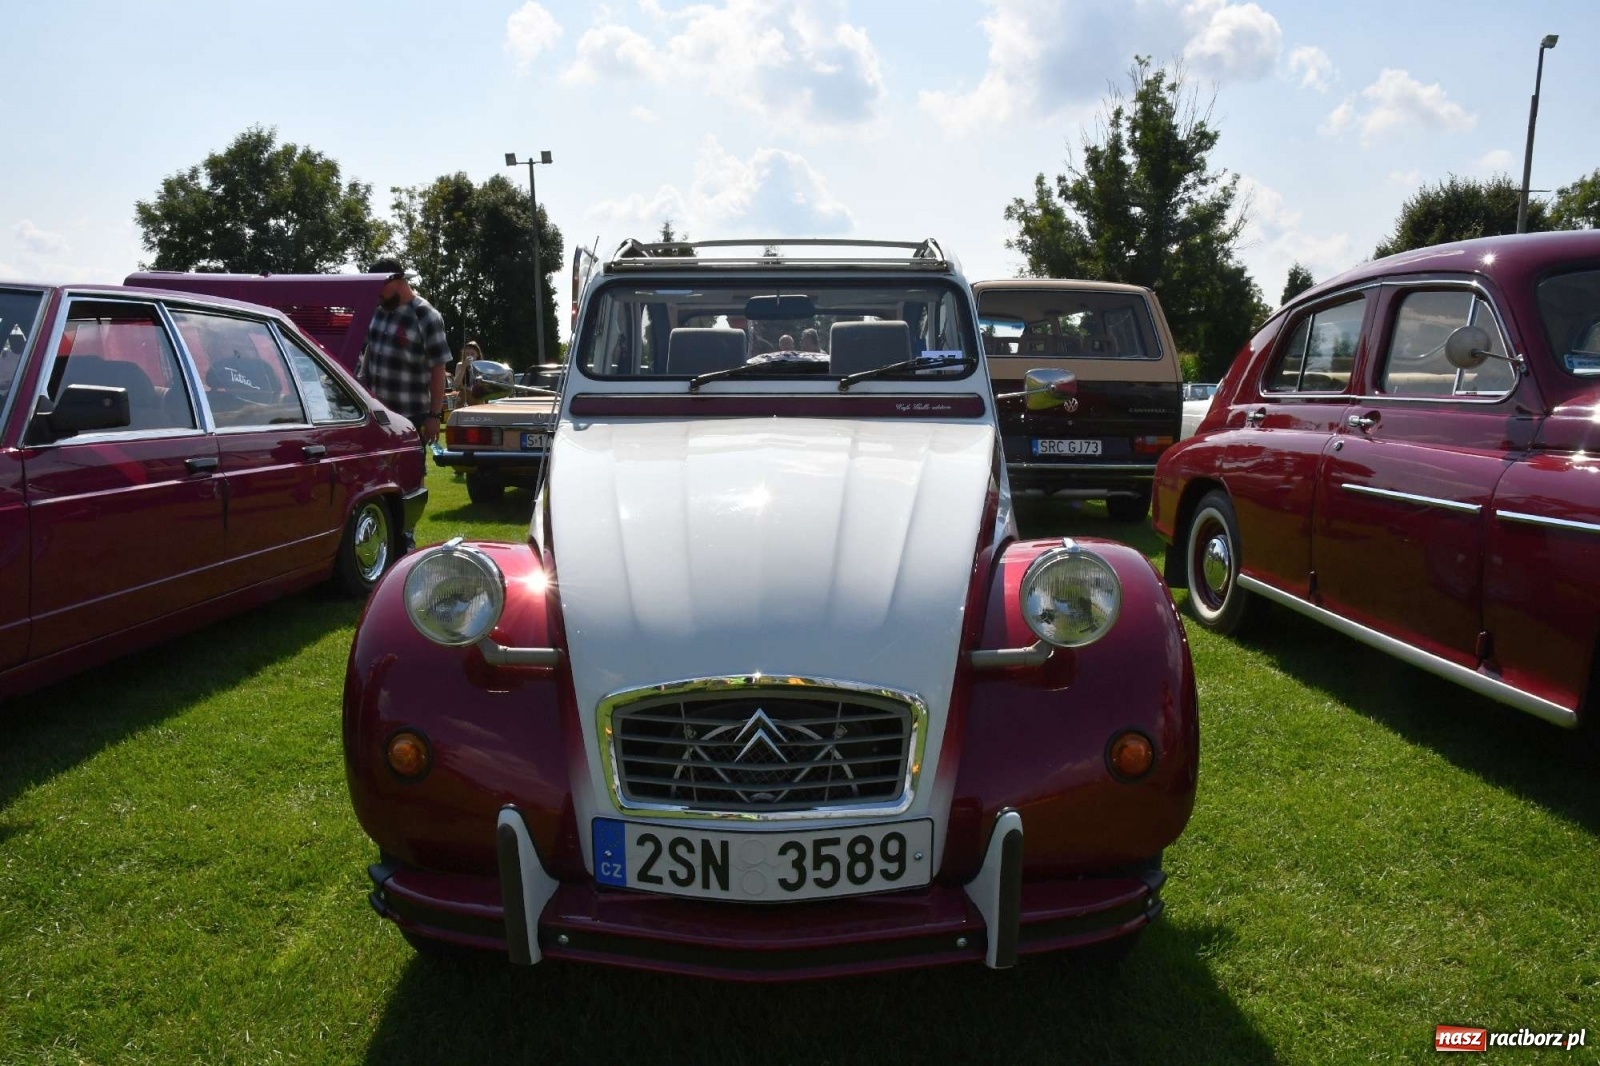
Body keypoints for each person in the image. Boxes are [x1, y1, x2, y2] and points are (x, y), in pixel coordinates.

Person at [359, 257, 450, 445]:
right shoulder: (377, 311)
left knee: (410, 472)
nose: (376, 293)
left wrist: (434, 415)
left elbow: (438, 369)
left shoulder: (426, 315)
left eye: (379, 286)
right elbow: (370, 346)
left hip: (411, 416)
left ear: (396, 281)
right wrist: (361, 376)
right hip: (376, 415)